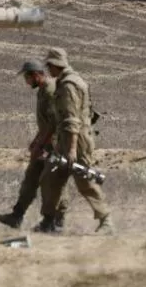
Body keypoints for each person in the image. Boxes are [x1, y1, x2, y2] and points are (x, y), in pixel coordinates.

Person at [37, 47, 113, 235]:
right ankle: (49, 221)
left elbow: (71, 119)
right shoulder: (68, 81)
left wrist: (71, 150)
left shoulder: (69, 85)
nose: (48, 71)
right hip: (67, 140)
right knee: (50, 178)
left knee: (84, 182)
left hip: (76, 142)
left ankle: (106, 221)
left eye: (49, 66)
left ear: (55, 66)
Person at [0, 60, 68, 230]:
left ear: (35, 75)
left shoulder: (49, 90)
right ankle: (16, 216)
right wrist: (36, 141)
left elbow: (55, 123)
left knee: (53, 181)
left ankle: (57, 220)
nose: (26, 82)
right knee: (31, 178)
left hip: (55, 144)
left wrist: (41, 144)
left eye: (27, 78)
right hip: (45, 142)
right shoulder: (42, 91)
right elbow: (45, 123)